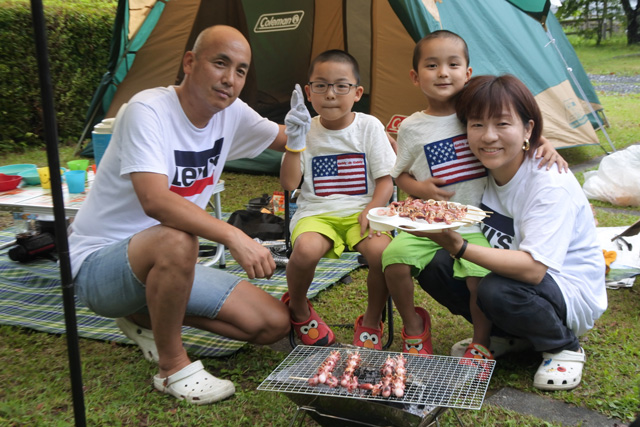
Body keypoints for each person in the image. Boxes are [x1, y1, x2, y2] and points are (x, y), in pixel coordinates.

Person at [67, 25, 291, 405]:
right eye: (220, 63)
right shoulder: (146, 109)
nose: (229, 79)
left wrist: (366, 130)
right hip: (98, 265)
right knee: (176, 235)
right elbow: (155, 201)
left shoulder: (231, 113)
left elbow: (288, 137)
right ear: (190, 62)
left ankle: (142, 315)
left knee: (272, 324)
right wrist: (234, 235)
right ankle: (172, 368)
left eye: (240, 70)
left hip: (164, 262)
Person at [413, 74, 607, 391]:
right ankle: (507, 335)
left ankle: (564, 346)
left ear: (528, 129)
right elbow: (428, 129)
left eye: (503, 124)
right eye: (477, 125)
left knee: (495, 289)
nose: (489, 137)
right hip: (510, 277)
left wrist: (459, 247)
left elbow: (532, 270)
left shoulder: (548, 182)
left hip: (565, 290)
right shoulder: (476, 170)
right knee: (434, 266)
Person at [382, 30, 568, 360]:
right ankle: (413, 327)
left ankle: (481, 341)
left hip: (476, 223)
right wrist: (421, 189)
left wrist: (544, 141)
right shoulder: (412, 127)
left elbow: (515, 123)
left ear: (467, 73)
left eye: (453, 64)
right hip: (430, 222)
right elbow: (401, 175)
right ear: (414, 76)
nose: (443, 73)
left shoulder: (474, 112)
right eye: (432, 65)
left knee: (478, 281)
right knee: (392, 259)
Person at [279, 49, 396, 349]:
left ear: (357, 92)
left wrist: (372, 209)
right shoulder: (305, 130)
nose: (330, 94)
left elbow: (386, 180)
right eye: (321, 85)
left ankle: (371, 320)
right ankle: (300, 309)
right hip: (316, 212)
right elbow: (289, 183)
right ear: (308, 92)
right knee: (304, 251)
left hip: (364, 210)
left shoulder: (369, 126)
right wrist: (294, 142)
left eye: (341, 85)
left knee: (383, 254)